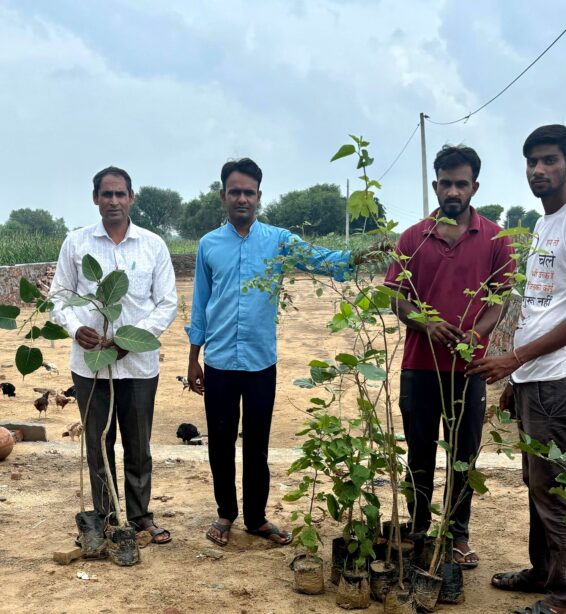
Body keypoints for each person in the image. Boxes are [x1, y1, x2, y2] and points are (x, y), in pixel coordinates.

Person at [468, 124, 566, 614]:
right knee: (537, 484)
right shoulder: (544, 223)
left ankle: (564, 598)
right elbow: (541, 307)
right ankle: (543, 573)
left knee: (556, 491)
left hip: (557, 380)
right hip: (535, 379)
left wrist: (515, 359)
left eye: (549, 160)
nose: (539, 170)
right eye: (532, 162)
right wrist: (517, 378)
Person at [186, 157, 363, 547]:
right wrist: (193, 359)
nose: (242, 198)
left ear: (259, 196)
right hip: (217, 363)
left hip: (260, 362)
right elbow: (200, 305)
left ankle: (256, 518)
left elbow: (319, 258)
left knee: (257, 443)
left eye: (249, 192)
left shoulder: (279, 241)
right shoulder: (208, 245)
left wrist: (359, 258)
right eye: (235, 191)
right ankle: (224, 514)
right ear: (223, 196)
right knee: (219, 441)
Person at [383, 145, 515, 568]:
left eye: (462, 183)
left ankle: (457, 535)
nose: (453, 190)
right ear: (435, 185)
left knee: (463, 457)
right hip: (419, 368)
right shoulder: (412, 238)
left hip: (468, 368)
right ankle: (419, 529)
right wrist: (427, 323)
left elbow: (500, 301)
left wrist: (476, 334)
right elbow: (397, 300)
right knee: (419, 455)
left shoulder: (496, 240)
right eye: (446, 183)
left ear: (475, 186)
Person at [51, 166, 178, 544]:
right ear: (95, 199)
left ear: (132, 198)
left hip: (138, 365)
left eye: (120, 194)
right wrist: (76, 328)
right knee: (97, 445)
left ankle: (140, 516)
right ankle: (107, 518)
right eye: (106, 194)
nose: (113, 201)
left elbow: (167, 303)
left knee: (139, 446)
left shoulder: (152, 245)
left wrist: (134, 340)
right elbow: (59, 296)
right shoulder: (76, 244)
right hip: (90, 367)